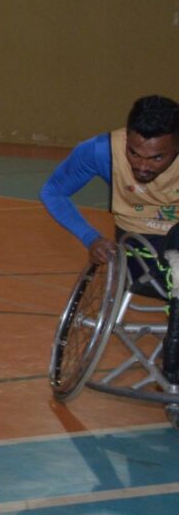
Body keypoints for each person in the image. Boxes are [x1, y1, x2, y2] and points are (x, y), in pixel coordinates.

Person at [40, 94, 179, 381]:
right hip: (141, 255)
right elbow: (53, 191)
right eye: (134, 153)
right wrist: (90, 238)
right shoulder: (102, 151)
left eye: (157, 158)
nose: (142, 166)